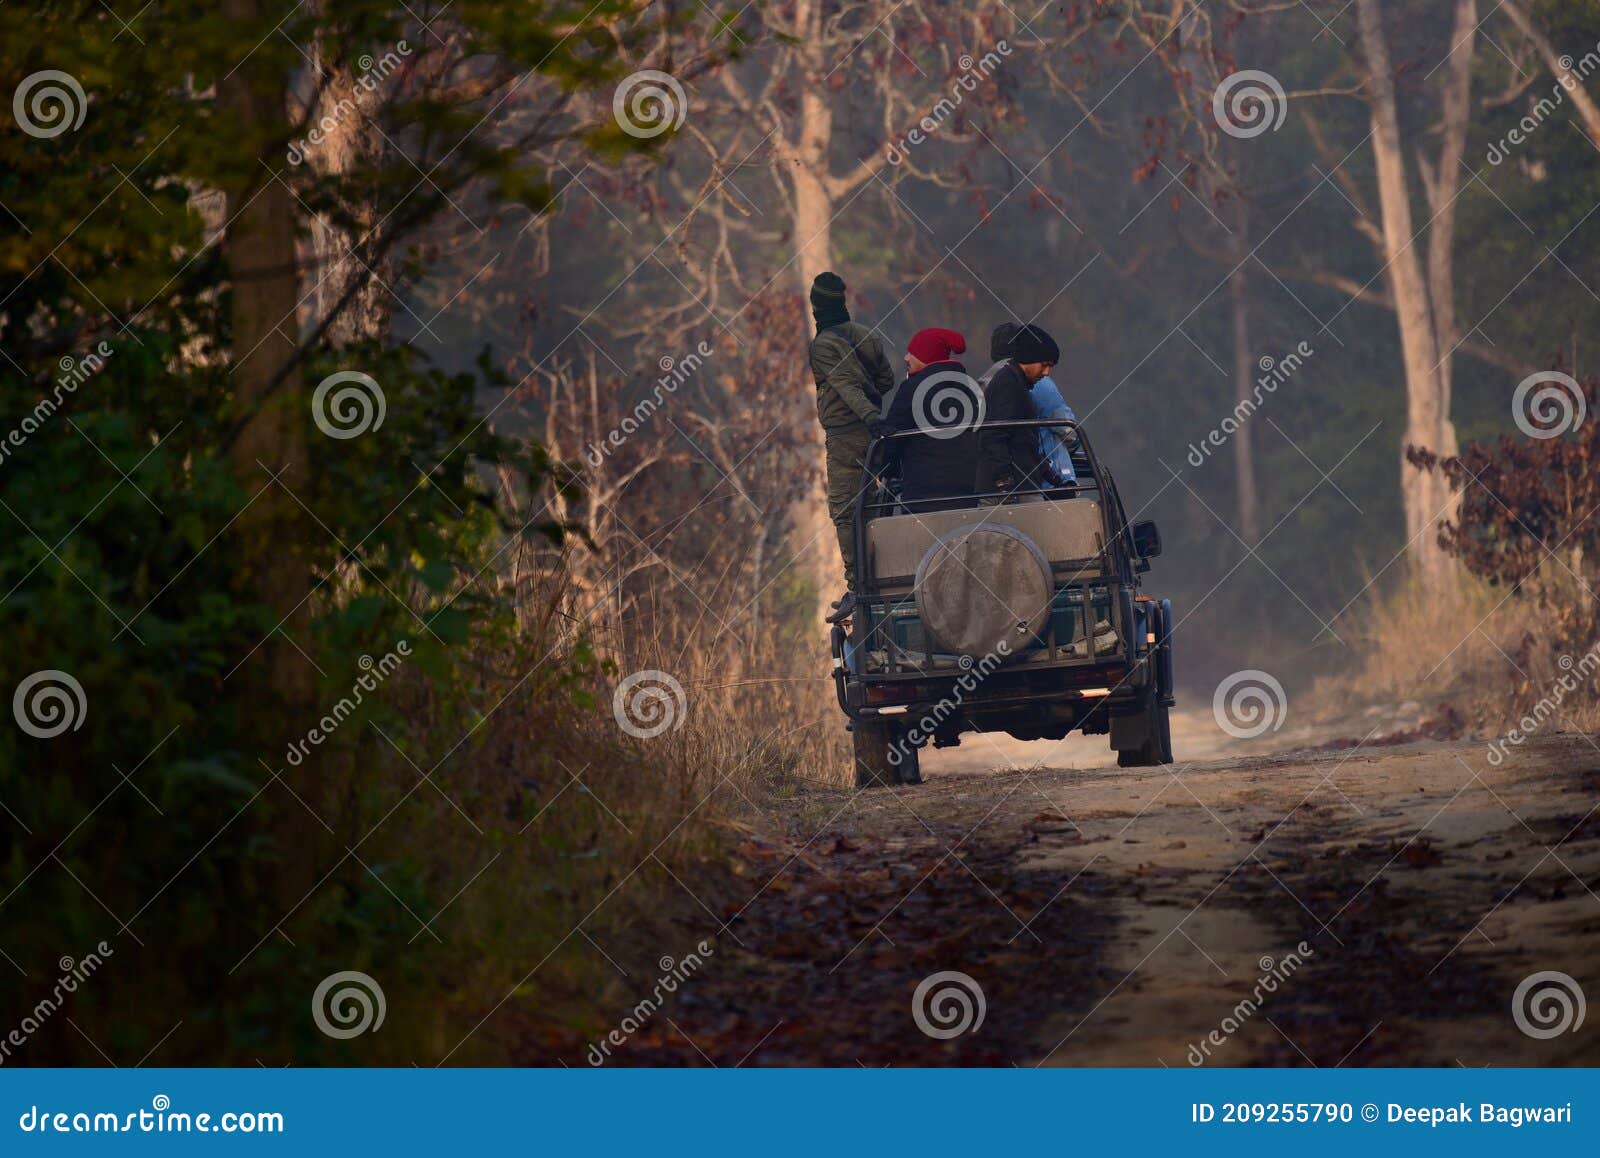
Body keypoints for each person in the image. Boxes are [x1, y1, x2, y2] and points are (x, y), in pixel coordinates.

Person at [806, 272, 896, 592]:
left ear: (817, 306)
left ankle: (859, 585)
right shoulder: (865, 335)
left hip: (845, 436)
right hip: (872, 433)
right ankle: (885, 572)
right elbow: (886, 381)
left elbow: (844, 384)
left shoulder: (822, 346)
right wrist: (873, 411)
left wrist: (869, 415)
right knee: (873, 504)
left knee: (844, 509)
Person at [883, 327, 978, 509]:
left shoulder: (912, 388)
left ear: (927, 357)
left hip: (924, 493)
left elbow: (893, 437)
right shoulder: (969, 389)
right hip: (968, 490)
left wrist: (887, 469)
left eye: (912, 353)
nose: (906, 358)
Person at [976, 323, 1069, 502]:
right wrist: (1005, 481)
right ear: (1029, 357)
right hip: (1011, 491)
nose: (1047, 372)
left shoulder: (1018, 384)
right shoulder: (1008, 384)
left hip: (1023, 485)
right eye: (1044, 365)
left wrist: (1053, 478)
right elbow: (993, 435)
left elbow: (1025, 444)